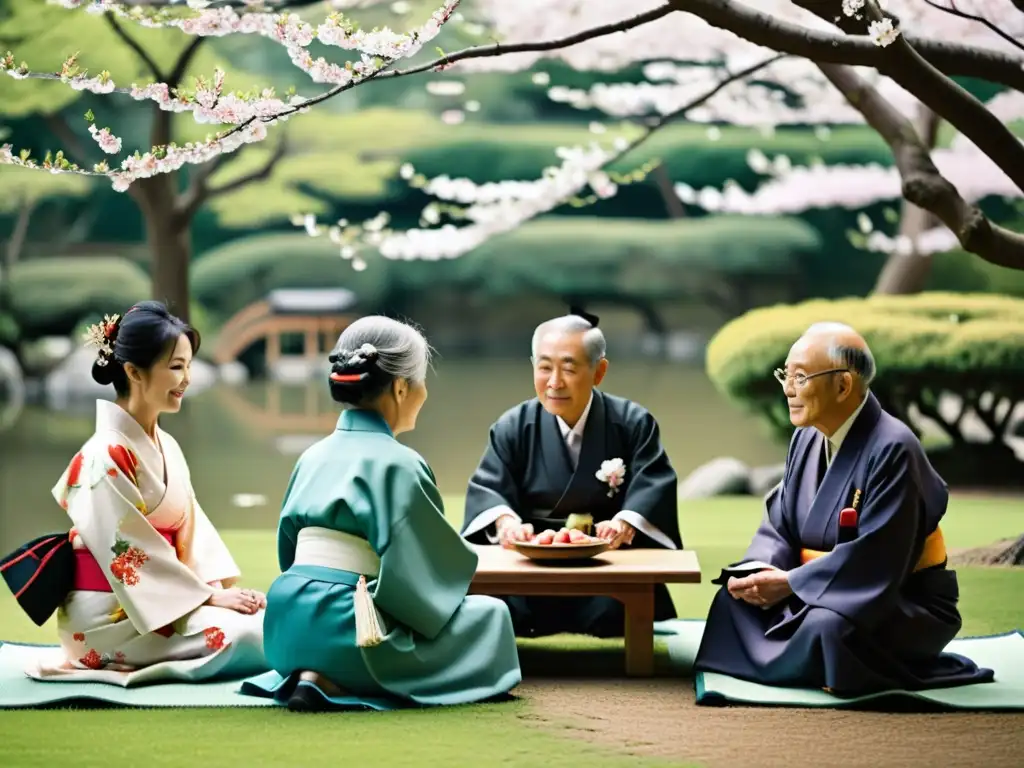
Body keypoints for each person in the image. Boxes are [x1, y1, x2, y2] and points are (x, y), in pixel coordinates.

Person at [693, 322, 995, 697]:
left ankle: (813, 663)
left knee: (829, 627)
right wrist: (761, 572)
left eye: (800, 377)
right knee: (732, 602)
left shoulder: (894, 447)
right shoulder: (805, 437)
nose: (787, 389)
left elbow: (880, 557)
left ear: (842, 385)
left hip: (895, 600)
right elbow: (780, 523)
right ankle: (810, 664)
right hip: (818, 586)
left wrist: (789, 584)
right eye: (785, 375)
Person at [251, 316, 521, 712]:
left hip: (287, 624)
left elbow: (288, 553)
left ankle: (313, 673)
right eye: (421, 380)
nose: (424, 392)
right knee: (491, 615)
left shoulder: (312, 455)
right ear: (399, 387)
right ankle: (341, 678)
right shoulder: (401, 463)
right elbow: (420, 581)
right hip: (354, 631)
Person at [0, 301, 267, 683]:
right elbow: (128, 548)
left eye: (189, 365)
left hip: (163, 602)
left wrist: (215, 591)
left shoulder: (166, 445)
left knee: (268, 620)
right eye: (176, 366)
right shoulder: (103, 455)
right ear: (132, 371)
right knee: (248, 634)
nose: (187, 379)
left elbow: (193, 533)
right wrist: (207, 599)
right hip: (109, 616)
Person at [460, 308, 682, 638]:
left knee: (612, 613)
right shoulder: (514, 426)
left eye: (568, 368)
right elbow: (489, 488)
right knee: (505, 610)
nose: (554, 382)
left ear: (599, 371)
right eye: (544, 367)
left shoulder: (632, 422)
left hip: (606, 568)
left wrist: (624, 523)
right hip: (530, 570)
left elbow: (654, 483)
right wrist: (506, 523)